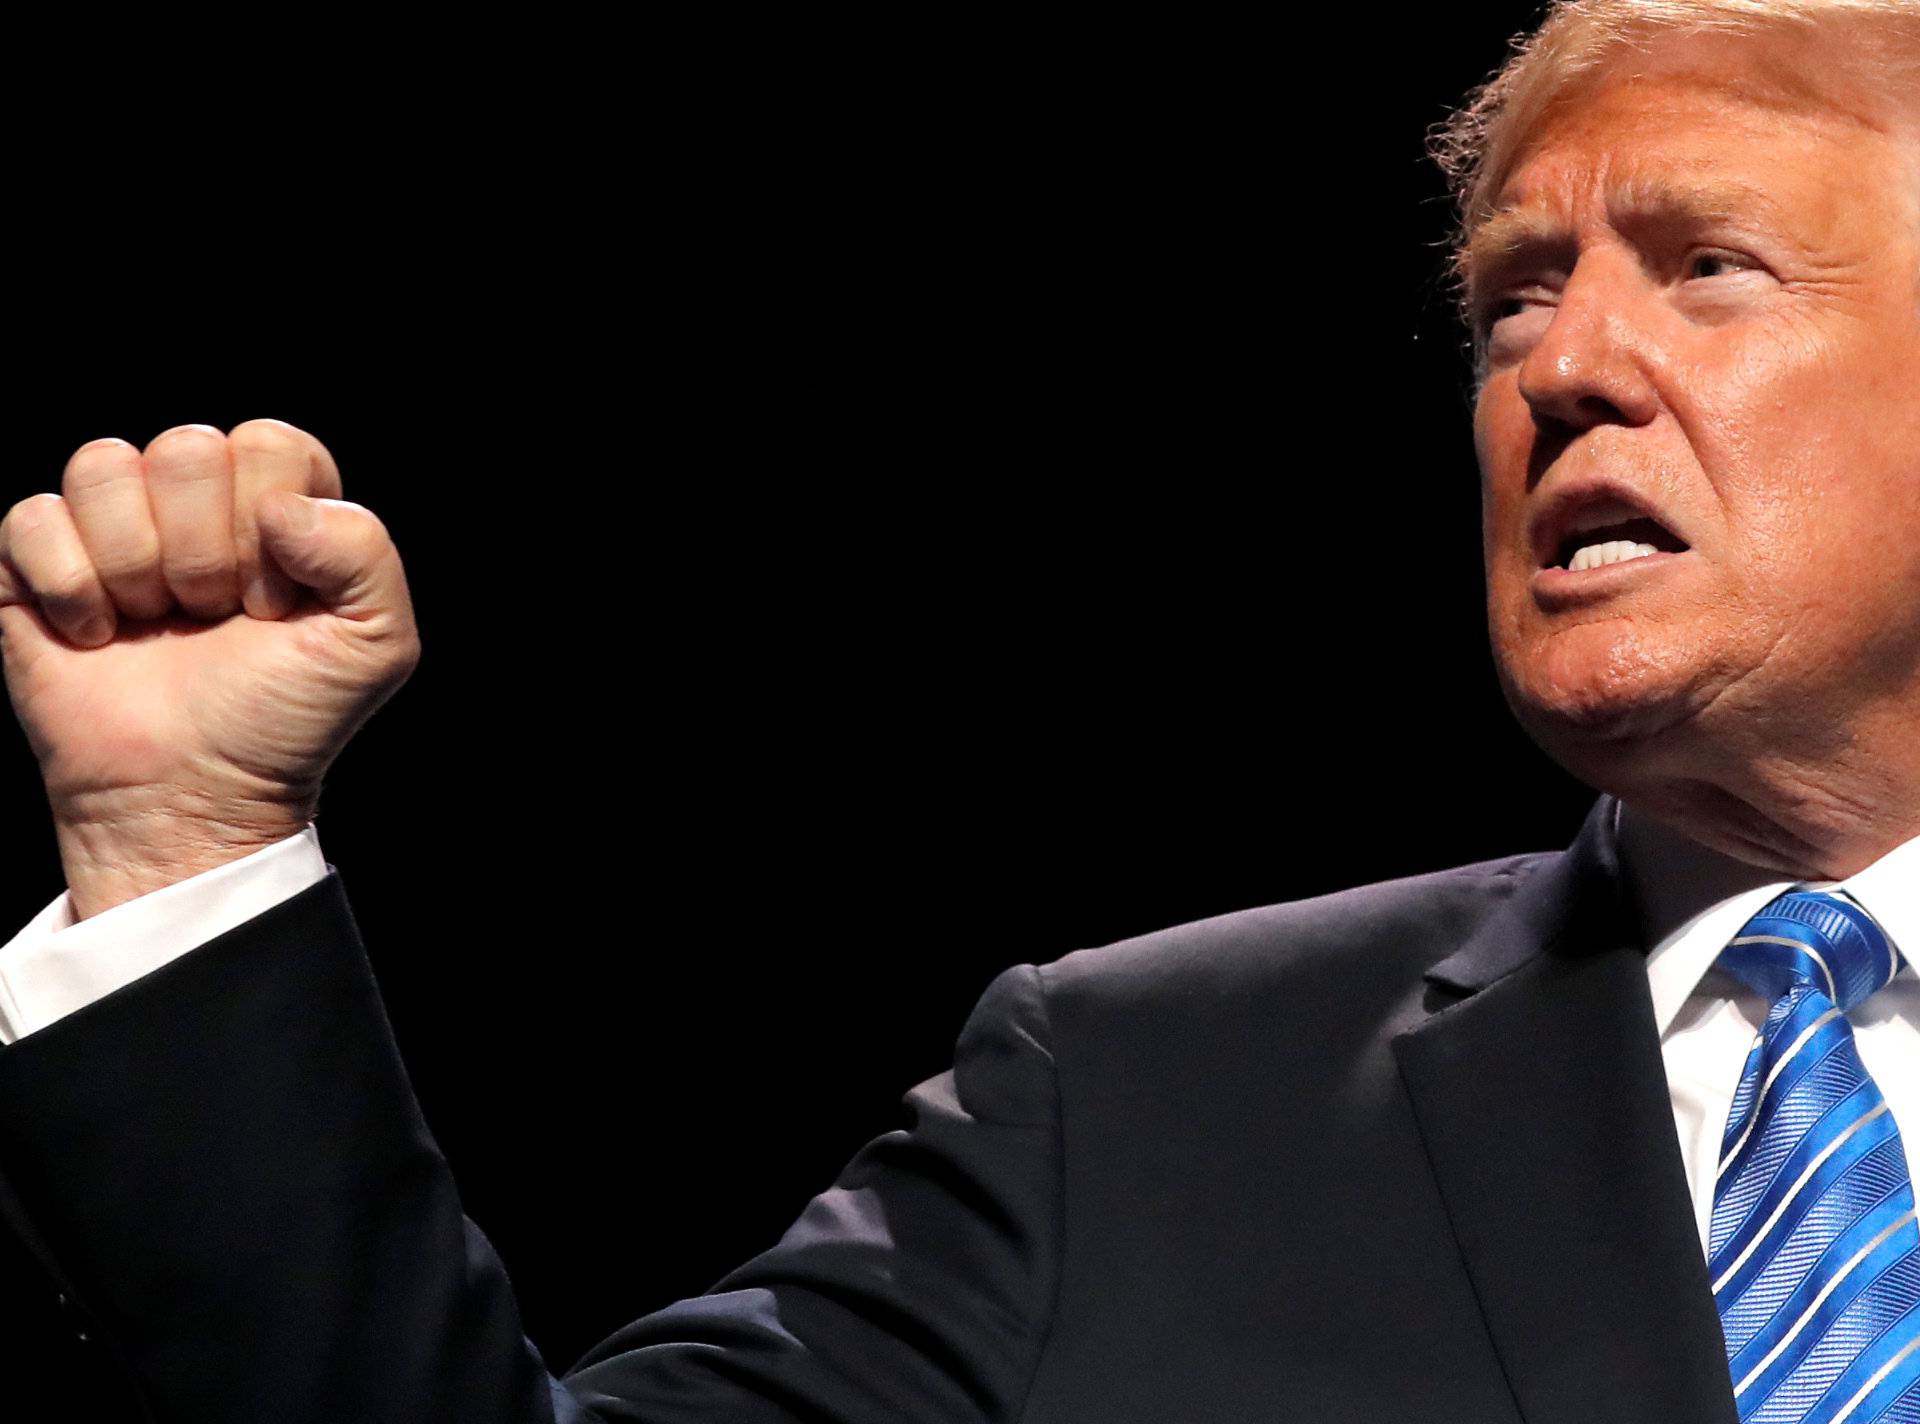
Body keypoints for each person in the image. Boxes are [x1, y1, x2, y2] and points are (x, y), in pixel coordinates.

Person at [0, 1, 1916, 1419]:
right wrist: (183, 850)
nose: (1562, 365)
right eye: (1512, 299)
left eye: (1707, 269)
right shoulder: (1148, 1095)